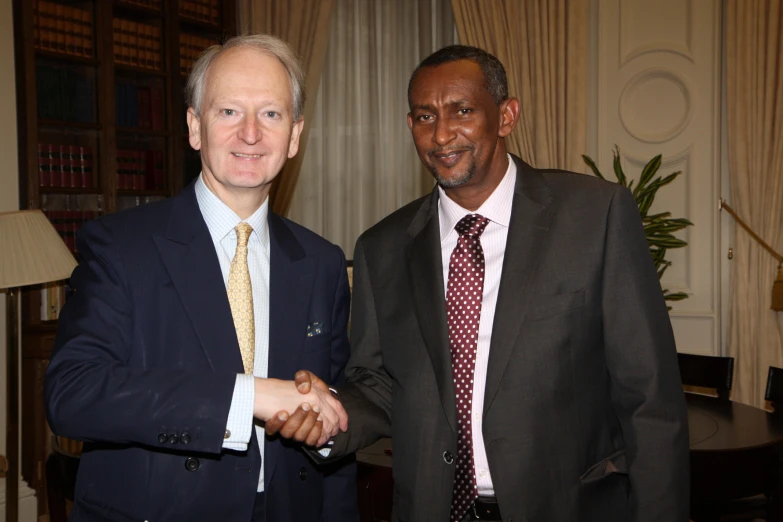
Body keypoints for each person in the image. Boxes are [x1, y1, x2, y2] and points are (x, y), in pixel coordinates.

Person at [268, 45, 690, 521]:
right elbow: (380, 384)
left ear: (506, 116)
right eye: (425, 116)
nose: (442, 134)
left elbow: (650, 398)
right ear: (411, 126)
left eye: (462, 111)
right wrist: (327, 418)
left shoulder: (595, 216)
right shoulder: (381, 249)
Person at [44, 34, 356, 522]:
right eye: (229, 111)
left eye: (271, 114)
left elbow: (333, 421)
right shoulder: (121, 247)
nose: (250, 133)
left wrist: (323, 427)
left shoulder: (323, 262)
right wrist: (252, 395)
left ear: (294, 136)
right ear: (195, 127)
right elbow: (72, 394)